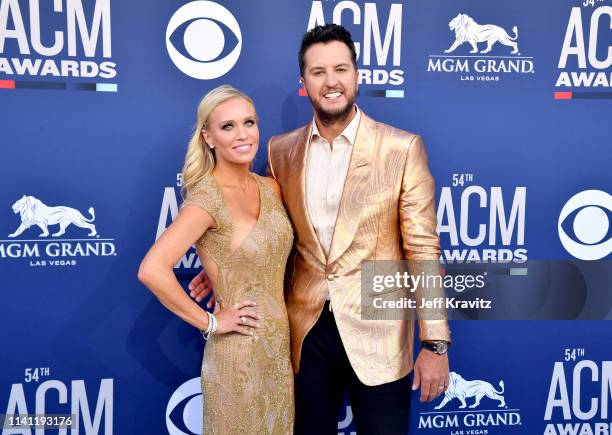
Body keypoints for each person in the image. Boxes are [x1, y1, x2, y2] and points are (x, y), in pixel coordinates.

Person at [190, 25, 451, 434]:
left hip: (380, 334)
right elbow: (270, 226)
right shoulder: (280, 150)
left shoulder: (400, 149)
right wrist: (227, 264)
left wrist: (434, 342)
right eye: (318, 72)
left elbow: (422, 248)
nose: (331, 81)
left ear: (357, 76)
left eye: (340, 69)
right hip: (303, 332)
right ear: (304, 82)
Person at [138, 85, 294, 434]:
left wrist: (227, 269)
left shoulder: (270, 188)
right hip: (236, 356)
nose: (243, 134)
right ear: (208, 137)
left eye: (249, 122)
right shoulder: (206, 199)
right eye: (228, 126)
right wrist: (210, 322)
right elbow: (152, 270)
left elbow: (267, 255)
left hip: (279, 354)